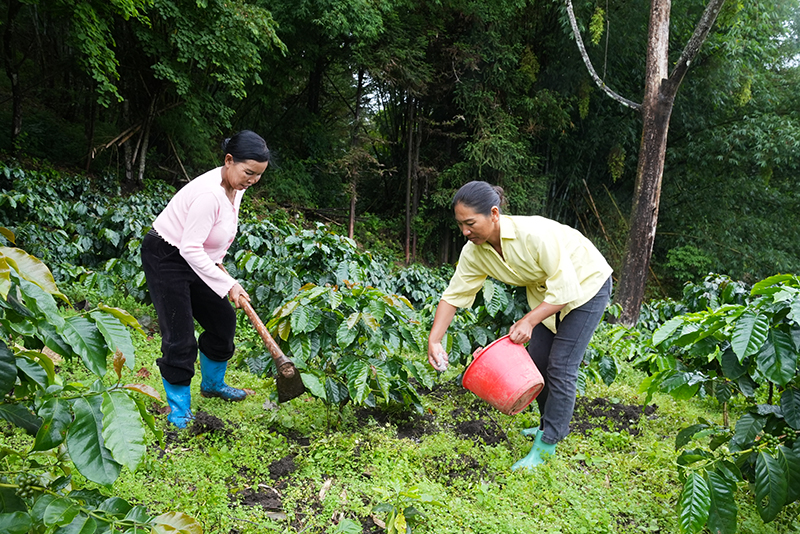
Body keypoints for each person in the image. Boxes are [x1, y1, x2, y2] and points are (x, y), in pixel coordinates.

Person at [427, 181, 613, 470]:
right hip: (547, 296)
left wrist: (529, 319)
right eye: (460, 224)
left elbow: (566, 289)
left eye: (470, 223)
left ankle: (547, 444)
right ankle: (548, 426)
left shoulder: (534, 234)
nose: (465, 231)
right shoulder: (474, 252)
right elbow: (454, 295)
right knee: (537, 361)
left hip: (587, 285)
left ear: (494, 214)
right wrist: (435, 340)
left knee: (561, 365)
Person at [141, 130, 270, 428]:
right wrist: (230, 284)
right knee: (180, 336)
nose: (252, 180)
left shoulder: (237, 186)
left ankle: (213, 385)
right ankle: (179, 410)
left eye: (258, 175)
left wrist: (219, 264)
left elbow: (213, 233)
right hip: (168, 255)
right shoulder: (208, 194)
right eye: (248, 172)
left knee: (222, 320)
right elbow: (188, 247)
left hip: (199, 256)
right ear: (228, 160)